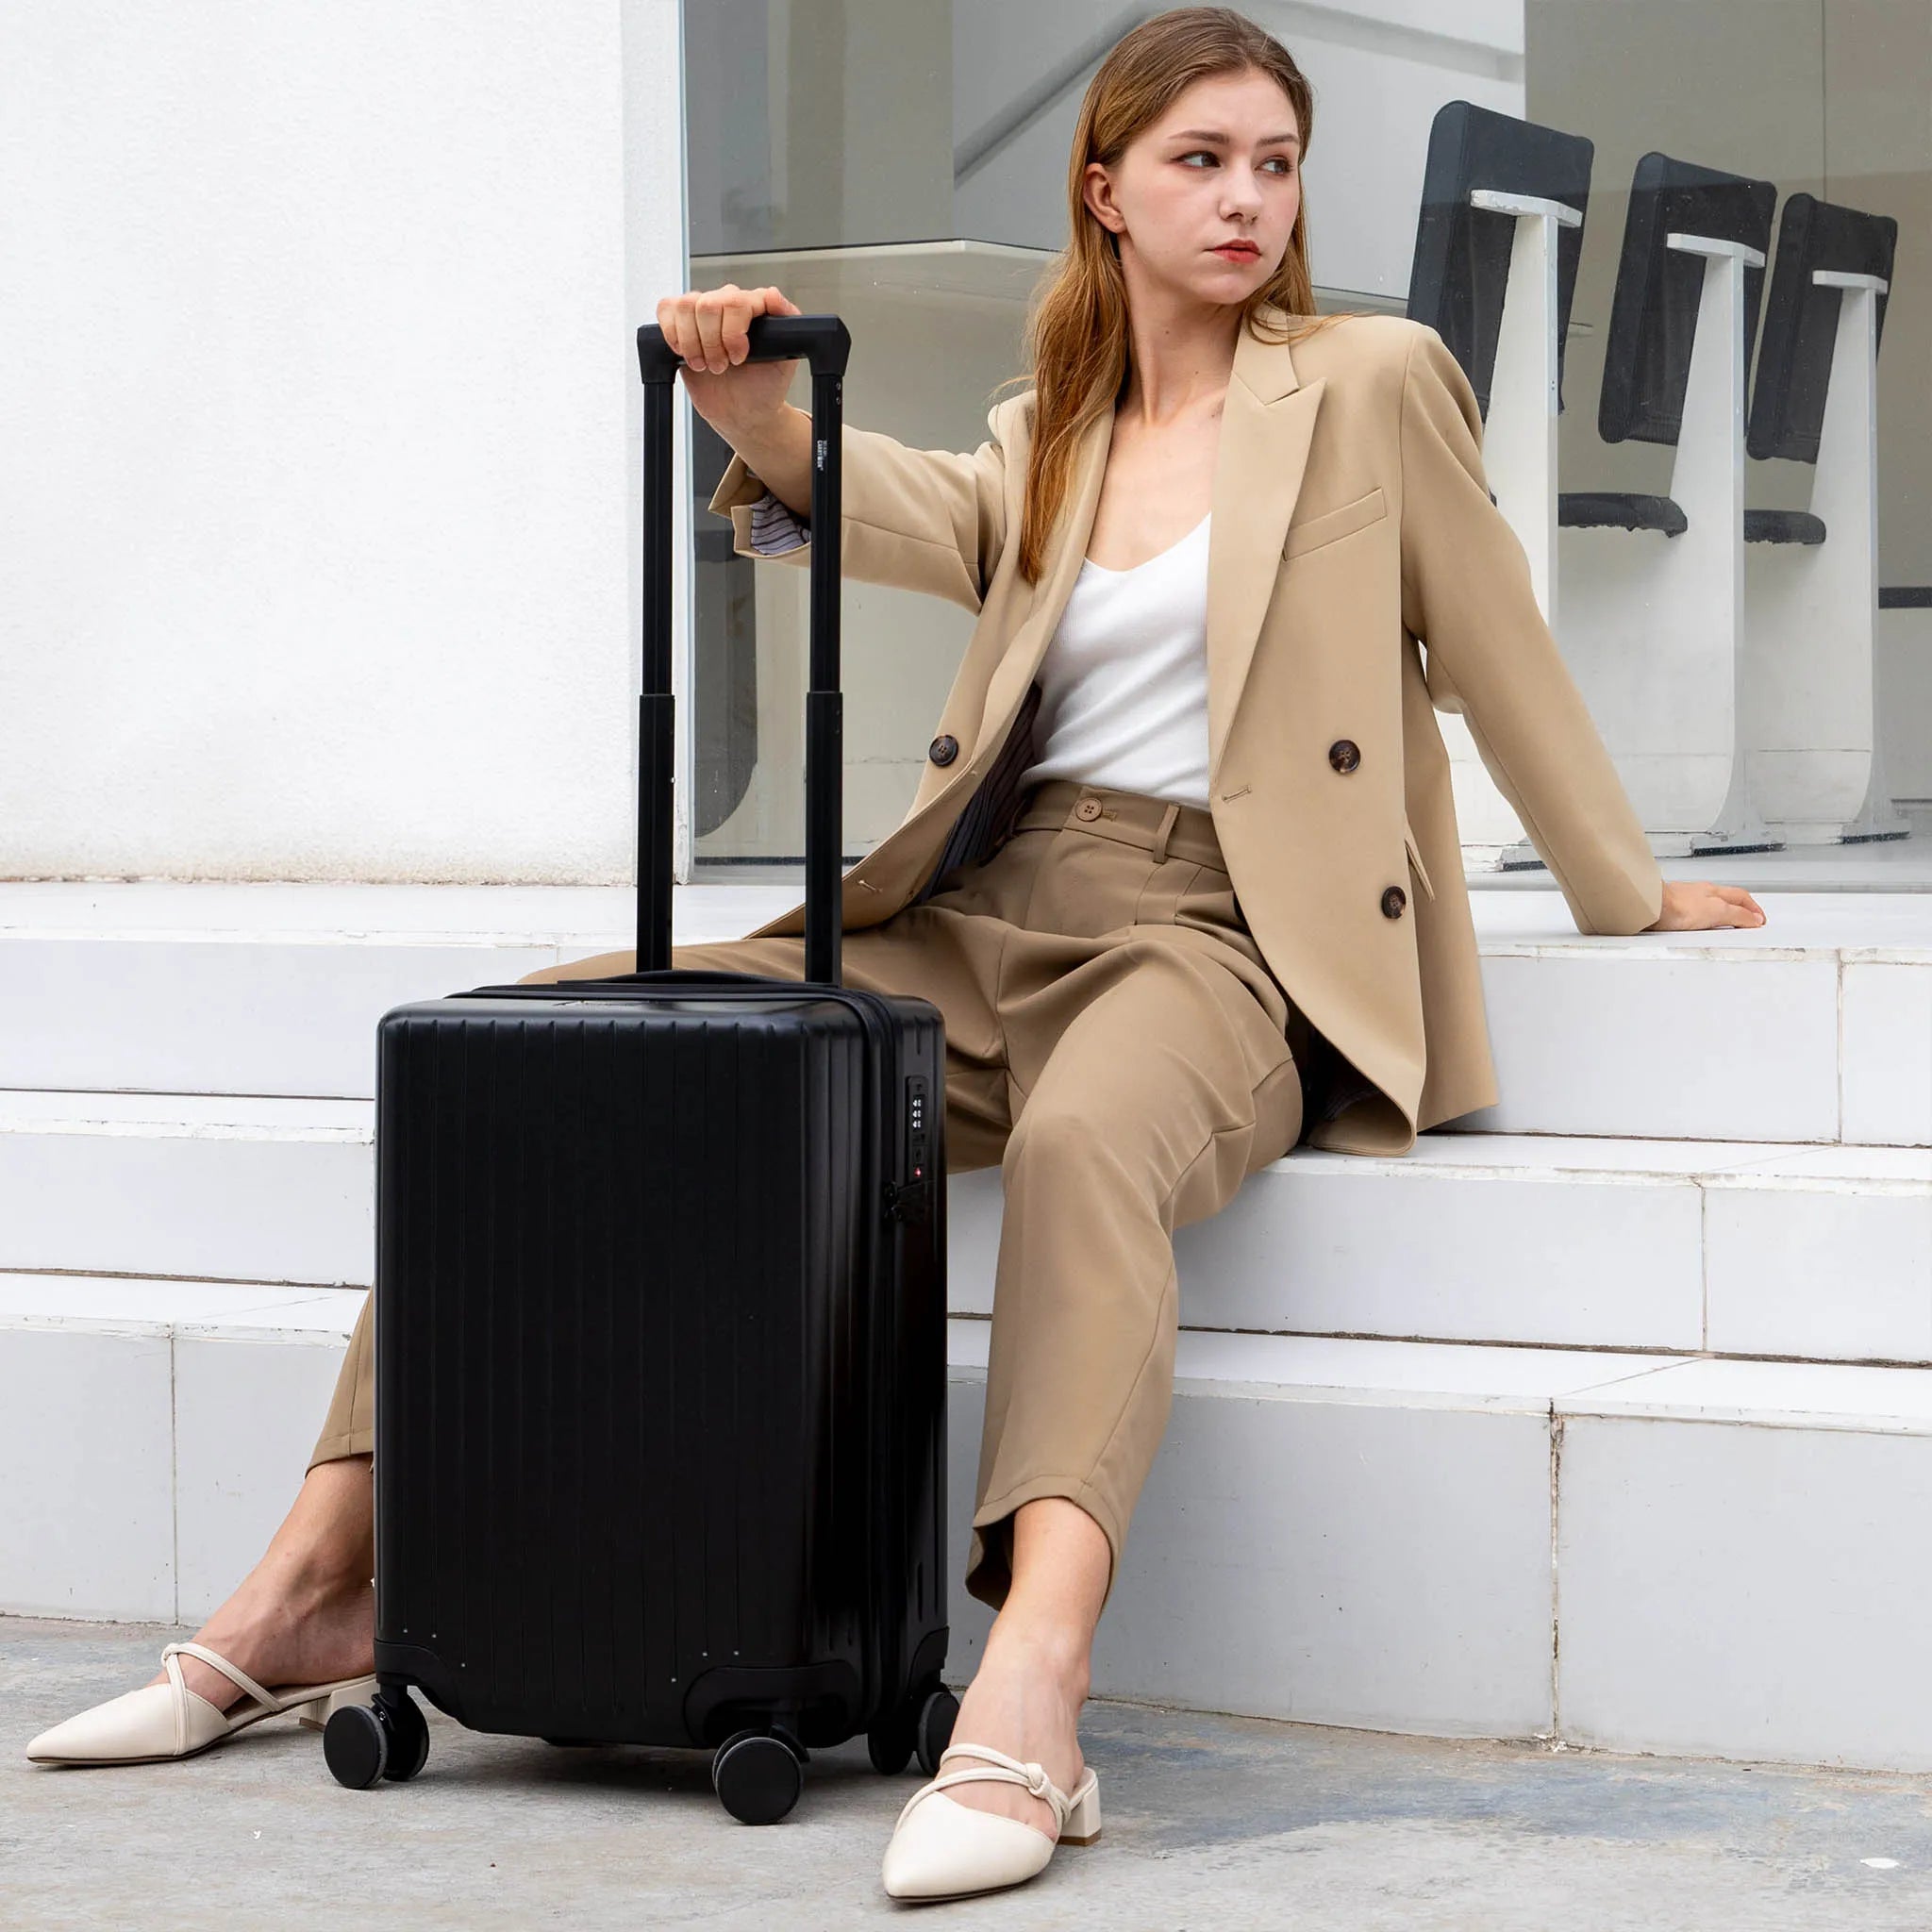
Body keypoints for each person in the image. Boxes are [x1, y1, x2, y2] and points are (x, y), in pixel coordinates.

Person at [28, 3, 1768, 1906]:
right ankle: (314, 1587)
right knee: (551, 1045)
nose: (1246, 198)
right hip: (985, 915)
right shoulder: (1057, 433)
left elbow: (1494, 631)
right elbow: (895, 503)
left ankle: (1036, 1678)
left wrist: (1624, 886)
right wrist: (753, 410)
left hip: (1221, 936)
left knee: (1101, 1143)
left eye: (1274, 161)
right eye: (1199, 160)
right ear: (1103, 192)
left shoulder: (1366, 379)